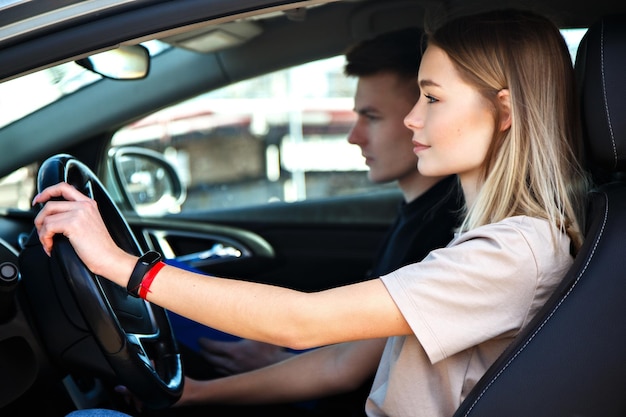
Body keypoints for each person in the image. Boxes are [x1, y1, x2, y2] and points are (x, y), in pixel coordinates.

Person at [39, 8, 590, 417]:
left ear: (504, 111)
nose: (411, 120)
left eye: (432, 98)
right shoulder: (496, 244)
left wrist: (122, 267)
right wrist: (199, 396)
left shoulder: (512, 252)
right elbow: (338, 360)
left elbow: (303, 324)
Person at [192, 27, 461, 380]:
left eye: (373, 117)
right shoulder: (420, 213)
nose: (354, 136)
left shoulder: (442, 230)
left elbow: (353, 368)